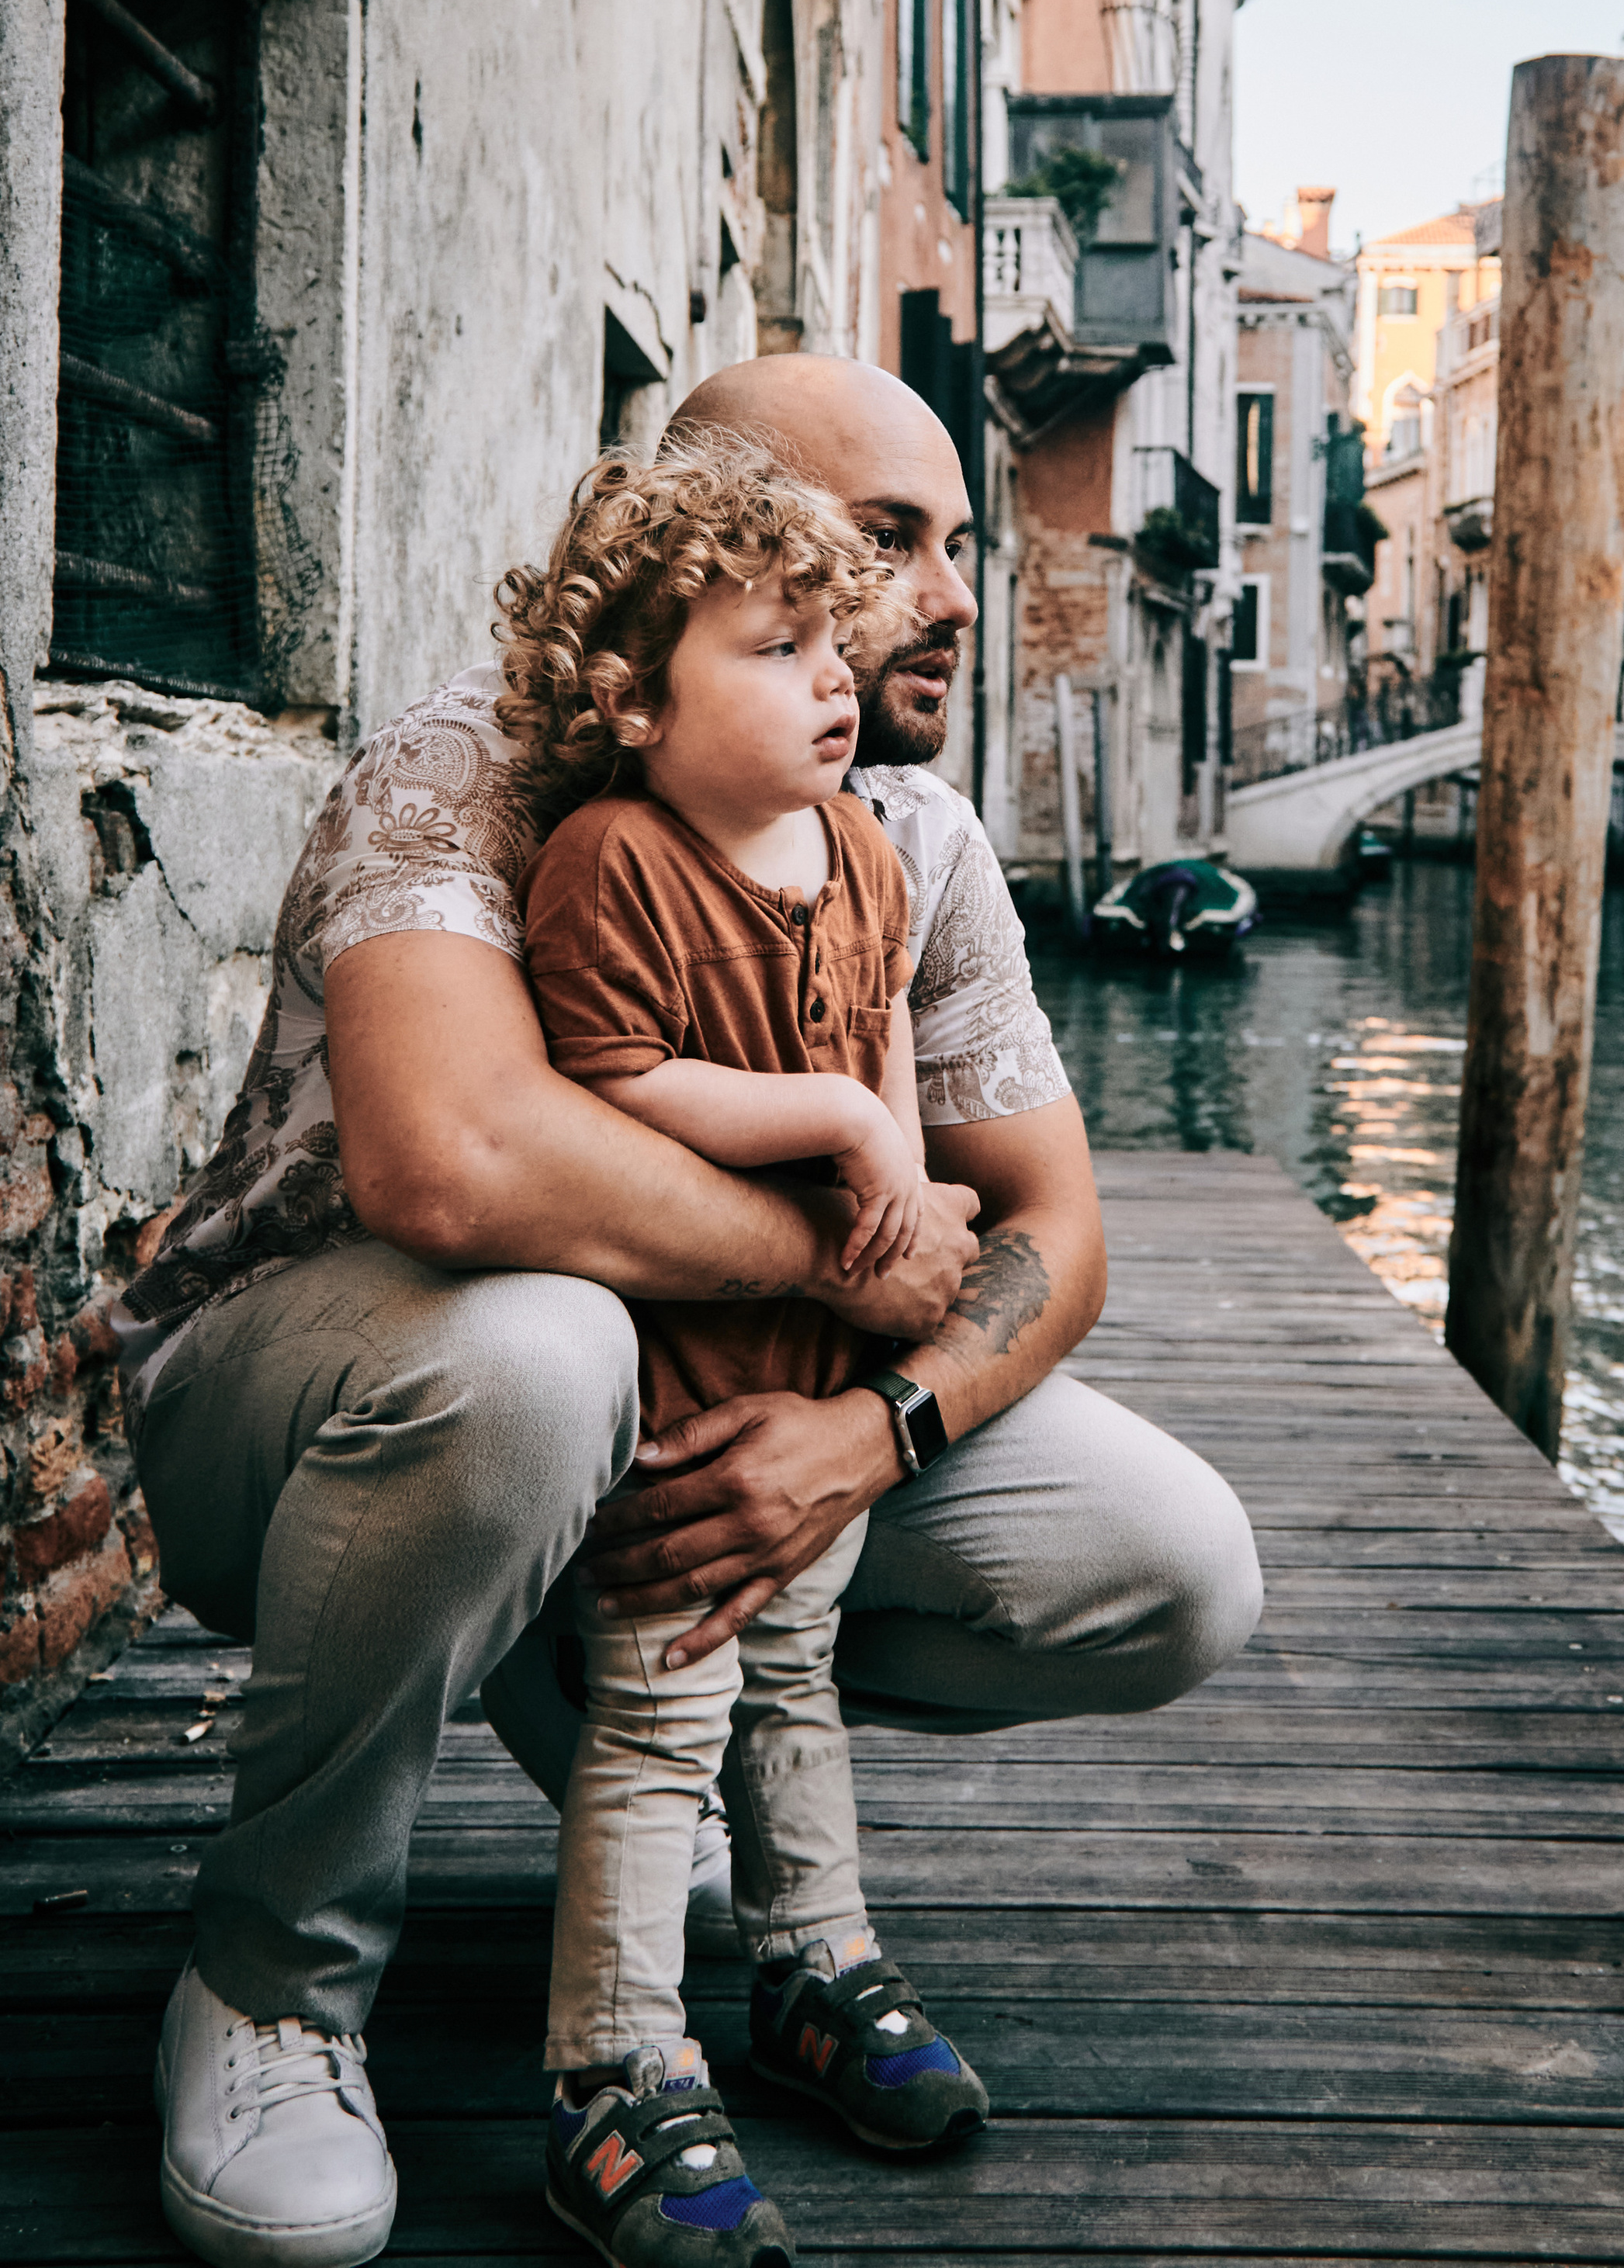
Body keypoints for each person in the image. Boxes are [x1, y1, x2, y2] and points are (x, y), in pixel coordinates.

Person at [120, 354, 1262, 2268]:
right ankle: (269, 1985)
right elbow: (453, 1168)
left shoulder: (915, 846)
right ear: (715, 545)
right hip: (302, 1407)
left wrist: (868, 1433)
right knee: (536, 1354)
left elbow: (1050, 1229)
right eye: (886, 541)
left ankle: (608, 1695)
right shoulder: (471, 767)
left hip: (709, 1414)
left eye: (954, 543)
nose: (952, 595)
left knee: (1175, 1561)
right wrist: (844, 1254)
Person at [507, 431, 989, 2262]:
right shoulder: (605, 862)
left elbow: (873, 1039)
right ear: (630, 699)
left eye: (832, 649)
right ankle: (613, 2073)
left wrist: (894, 1164)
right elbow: (612, 1084)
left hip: (818, 1389)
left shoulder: (864, 851)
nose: (834, 683)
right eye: (779, 650)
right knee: (656, 1720)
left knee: (800, 1682)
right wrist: (850, 1135)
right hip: (685, 1408)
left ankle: (813, 1966)